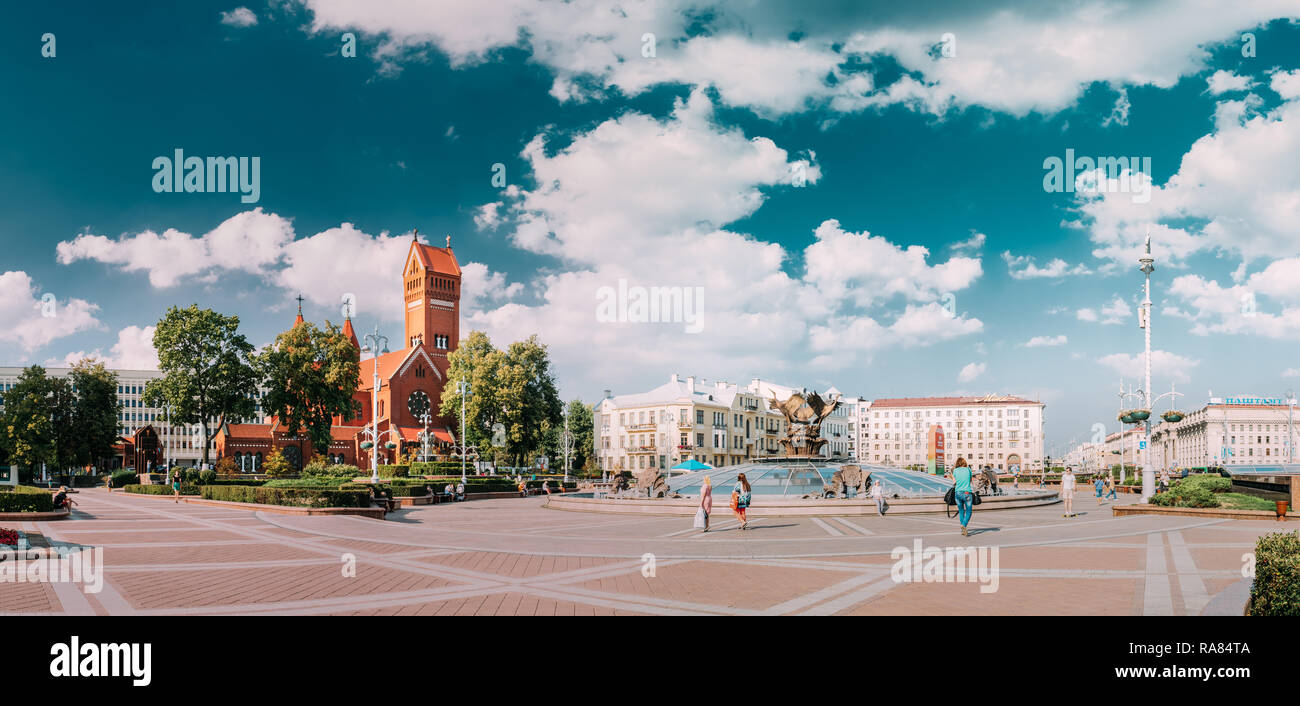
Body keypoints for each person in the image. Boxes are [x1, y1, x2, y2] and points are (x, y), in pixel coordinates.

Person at [952, 457, 974, 537]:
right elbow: (970, 481)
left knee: (961, 511)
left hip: (957, 493)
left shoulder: (955, 470)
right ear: (964, 462)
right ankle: (964, 525)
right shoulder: (968, 470)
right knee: (969, 511)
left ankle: (963, 529)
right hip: (967, 492)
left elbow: (954, 483)